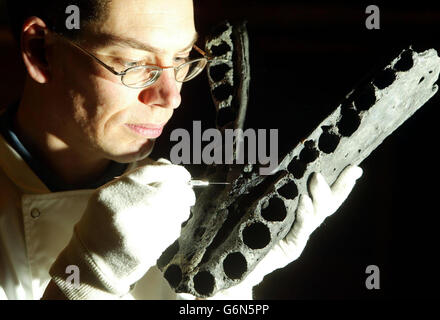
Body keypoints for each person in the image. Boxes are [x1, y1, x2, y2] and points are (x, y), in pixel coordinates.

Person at [0, 0, 363, 300]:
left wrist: (228, 286)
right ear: (41, 52)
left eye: (182, 58)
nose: (171, 97)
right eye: (136, 64)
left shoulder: (175, 201)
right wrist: (93, 275)